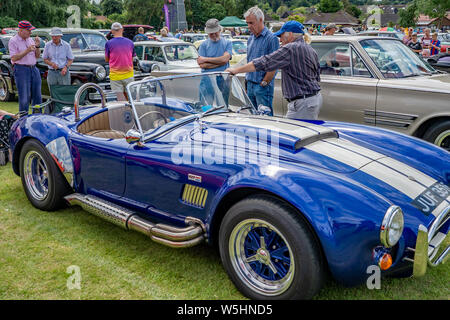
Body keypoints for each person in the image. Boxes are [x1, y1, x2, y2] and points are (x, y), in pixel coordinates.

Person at [226, 21, 322, 120]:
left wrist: (235, 70)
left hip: (302, 102)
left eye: (281, 35)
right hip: (311, 99)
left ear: (290, 35)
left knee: (295, 131)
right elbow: (316, 75)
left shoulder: (290, 48)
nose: (280, 40)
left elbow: (264, 62)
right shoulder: (310, 49)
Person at [244, 6, 279, 115]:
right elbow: (249, 61)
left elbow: (274, 64)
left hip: (262, 86)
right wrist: (247, 83)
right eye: (247, 23)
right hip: (250, 84)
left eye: (251, 23)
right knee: (253, 120)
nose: (249, 26)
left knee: (265, 120)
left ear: (260, 20)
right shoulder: (250, 38)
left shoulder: (271, 38)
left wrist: (264, 82)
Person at [8, 20, 42, 114]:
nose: (30, 32)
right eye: (28, 30)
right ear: (21, 30)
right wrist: (27, 50)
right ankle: (23, 121)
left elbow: (37, 56)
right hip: (21, 69)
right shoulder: (13, 41)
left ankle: (37, 118)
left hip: (33, 68)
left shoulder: (30, 39)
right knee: (24, 97)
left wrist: (38, 46)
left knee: (37, 96)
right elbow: (14, 58)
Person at [197, 19, 233, 105]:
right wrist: (220, 62)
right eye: (211, 33)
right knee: (206, 106)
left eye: (215, 32)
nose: (213, 35)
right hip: (207, 79)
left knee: (223, 105)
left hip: (223, 78)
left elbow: (224, 60)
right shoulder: (203, 45)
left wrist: (206, 59)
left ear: (220, 30)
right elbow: (202, 65)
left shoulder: (227, 43)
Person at [105, 22, 136, 101]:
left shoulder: (108, 43)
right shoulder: (130, 42)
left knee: (119, 100)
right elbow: (132, 58)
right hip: (128, 74)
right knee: (131, 99)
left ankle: (122, 112)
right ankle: (131, 112)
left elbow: (107, 59)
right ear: (122, 30)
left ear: (112, 31)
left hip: (115, 76)